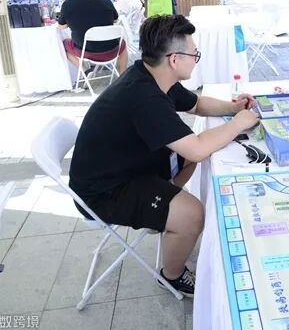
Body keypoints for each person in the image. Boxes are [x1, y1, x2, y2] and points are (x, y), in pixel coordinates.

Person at [69, 15, 259, 296]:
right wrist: (237, 124)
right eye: (194, 54)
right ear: (174, 59)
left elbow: (196, 104)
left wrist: (233, 108)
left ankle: (164, 212)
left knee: (193, 157)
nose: (196, 60)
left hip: (128, 167)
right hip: (104, 191)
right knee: (193, 214)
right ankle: (172, 275)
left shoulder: (153, 75)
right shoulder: (144, 96)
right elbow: (196, 147)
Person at [57, 0, 128, 73]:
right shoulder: (106, 1)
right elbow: (115, 19)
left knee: (64, 44)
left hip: (86, 52)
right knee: (122, 43)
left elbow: (61, 27)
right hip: (112, 50)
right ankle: (122, 74)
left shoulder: (67, 5)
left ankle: (85, 70)